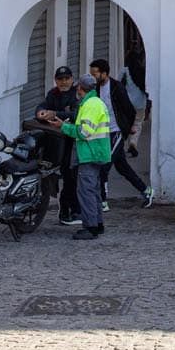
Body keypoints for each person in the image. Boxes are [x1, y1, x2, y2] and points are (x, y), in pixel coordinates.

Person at [90, 58, 153, 209]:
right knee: (122, 167)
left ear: (104, 73)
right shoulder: (96, 89)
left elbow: (128, 108)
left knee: (104, 165)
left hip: (115, 131)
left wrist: (129, 127)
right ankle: (146, 190)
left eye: (95, 74)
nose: (94, 77)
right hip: (103, 133)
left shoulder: (116, 87)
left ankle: (103, 201)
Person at [58, 74, 112, 239]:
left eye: (78, 88)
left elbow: (83, 132)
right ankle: (97, 224)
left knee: (86, 192)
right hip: (96, 152)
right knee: (94, 191)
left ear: (80, 88)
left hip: (89, 153)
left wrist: (64, 127)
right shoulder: (95, 102)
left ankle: (90, 227)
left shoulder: (90, 105)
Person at [35, 66, 82, 225]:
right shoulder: (52, 94)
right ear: (56, 80)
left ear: (72, 79)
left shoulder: (77, 94)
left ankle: (69, 211)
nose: (63, 82)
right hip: (54, 143)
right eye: (60, 79)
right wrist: (41, 112)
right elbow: (43, 105)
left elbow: (77, 115)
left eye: (66, 78)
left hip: (72, 142)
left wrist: (55, 114)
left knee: (71, 178)